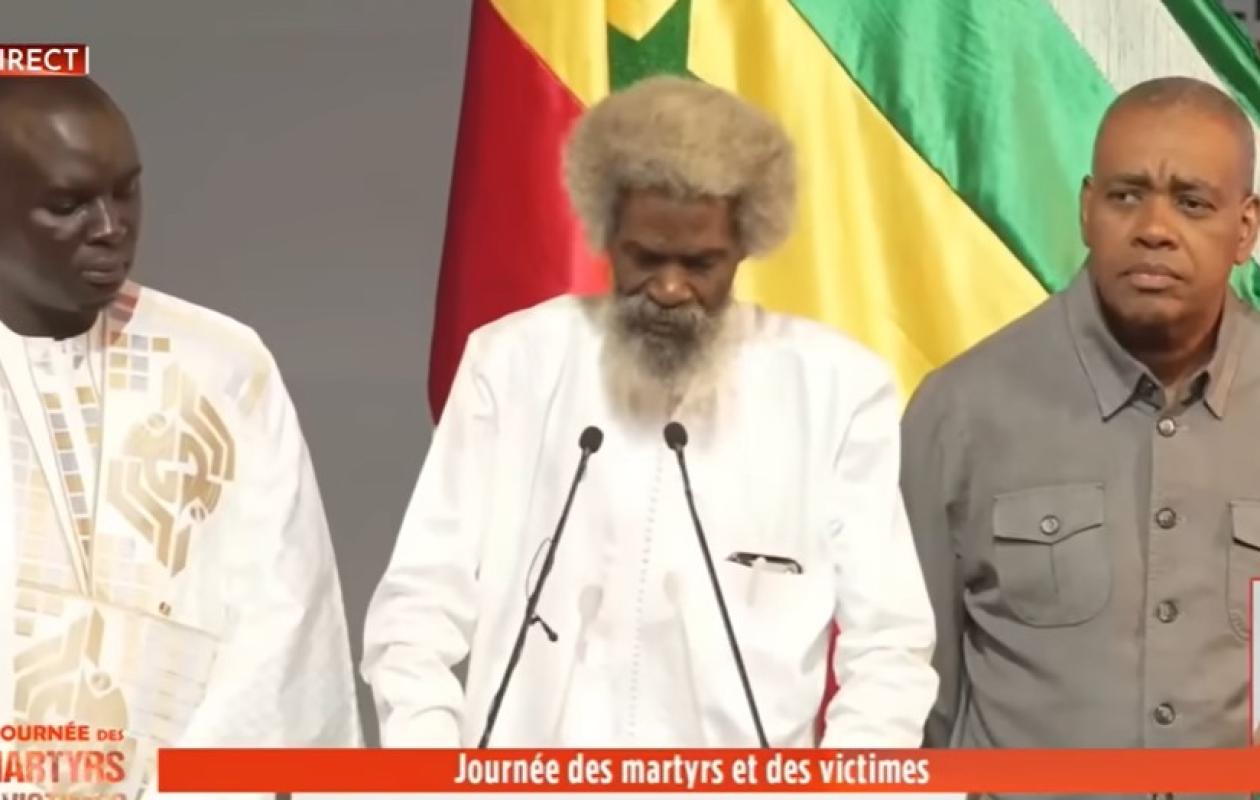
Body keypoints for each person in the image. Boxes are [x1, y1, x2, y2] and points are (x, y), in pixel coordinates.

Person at [362, 74, 937, 748]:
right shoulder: (513, 362)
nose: (668, 288)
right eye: (645, 257)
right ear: (607, 234)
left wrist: (842, 788)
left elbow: (889, 646)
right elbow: (418, 610)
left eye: (700, 263)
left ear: (746, 244)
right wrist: (434, 769)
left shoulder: (836, 388)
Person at [0, 77, 363, 798]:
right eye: (69, 205)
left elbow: (285, 626)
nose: (111, 227)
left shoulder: (223, 364)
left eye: (126, 192)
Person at [902, 75, 1260, 765]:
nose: (1154, 229)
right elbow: (909, 695)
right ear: (1087, 209)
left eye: (1191, 202)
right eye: (1126, 196)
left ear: (1245, 228)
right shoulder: (961, 411)